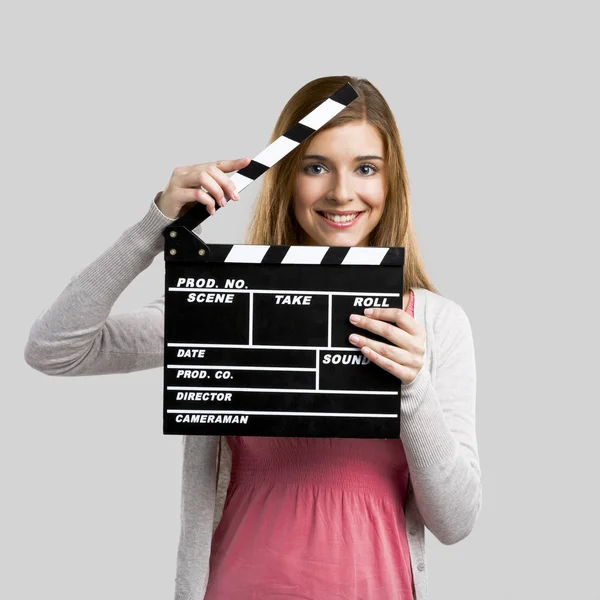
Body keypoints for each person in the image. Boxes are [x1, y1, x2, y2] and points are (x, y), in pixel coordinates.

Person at [24, 75, 481, 600]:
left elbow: (456, 521)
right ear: (286, 178)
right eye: (316, 166)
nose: (341, 192)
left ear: (391, 182)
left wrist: (413, 388)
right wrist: (155, 227)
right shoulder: (226, 298)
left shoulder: (436, 322)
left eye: (366, 168)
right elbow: (56, 349)